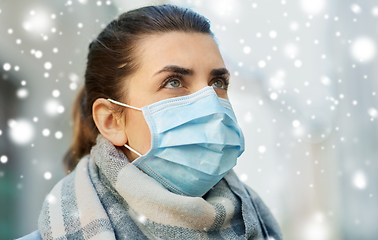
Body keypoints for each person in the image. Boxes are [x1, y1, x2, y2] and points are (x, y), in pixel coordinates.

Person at [18, 4, 282, 240]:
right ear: (111, 121)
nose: (212, 105)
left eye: (217, 83)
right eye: (174, 82)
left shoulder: (258, 225)